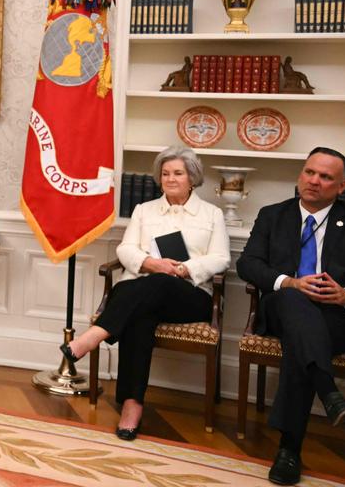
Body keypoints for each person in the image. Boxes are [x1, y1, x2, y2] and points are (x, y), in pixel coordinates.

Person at [236, 147, 345, 485]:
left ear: (342, 186)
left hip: (339, 319)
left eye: (326, 177)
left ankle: (289, 451)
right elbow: (248, 263)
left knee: (302, 343)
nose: (314, 181)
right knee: (294, 300)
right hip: (283, 309)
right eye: (310, 172)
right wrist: (291, 282)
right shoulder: (273, 215)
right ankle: (326, 391)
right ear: (300, 175)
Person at [61, 146, 229, 440]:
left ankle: (95, 335)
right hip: (143, 292)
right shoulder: (144, 210)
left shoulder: (212, 214)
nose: (170, 179)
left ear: (192, 177)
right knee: (141, 314)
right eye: (165, 173)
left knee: (160, 283)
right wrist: (151, 263)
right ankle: (132, 404)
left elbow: (221, 259)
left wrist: (182, 269)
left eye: (177, 173)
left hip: (189, 296)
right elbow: (125, 249)